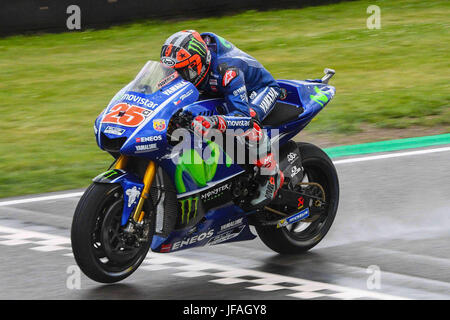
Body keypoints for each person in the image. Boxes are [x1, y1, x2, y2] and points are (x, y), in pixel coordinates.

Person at [160, 30, 284, 208]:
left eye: (182, 71)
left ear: (197, 64)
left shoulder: (227, 70)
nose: (176, 75)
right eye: (171, 70)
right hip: (223, 91)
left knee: (249, 120)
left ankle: (270, 174)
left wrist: (216, 121)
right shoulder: (193, 66)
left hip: (259, 89)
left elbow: (241, 117)